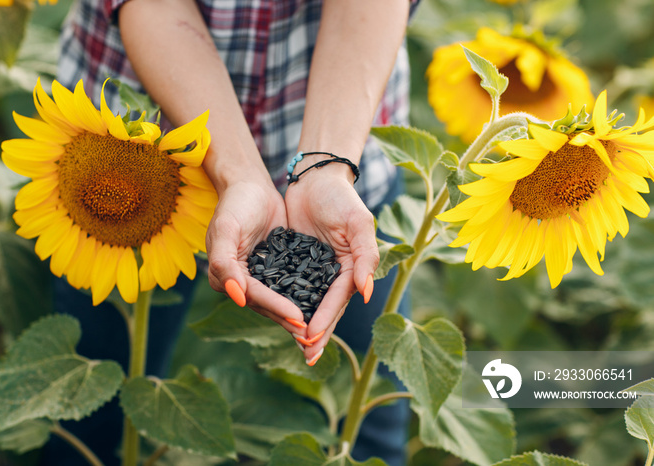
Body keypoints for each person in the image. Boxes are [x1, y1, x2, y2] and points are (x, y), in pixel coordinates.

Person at [45, 0, 419, 465]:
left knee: (368, 424)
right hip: (131, 151)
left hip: (349, 138)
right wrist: (240, 174)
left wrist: (329, 167)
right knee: (87, 416)